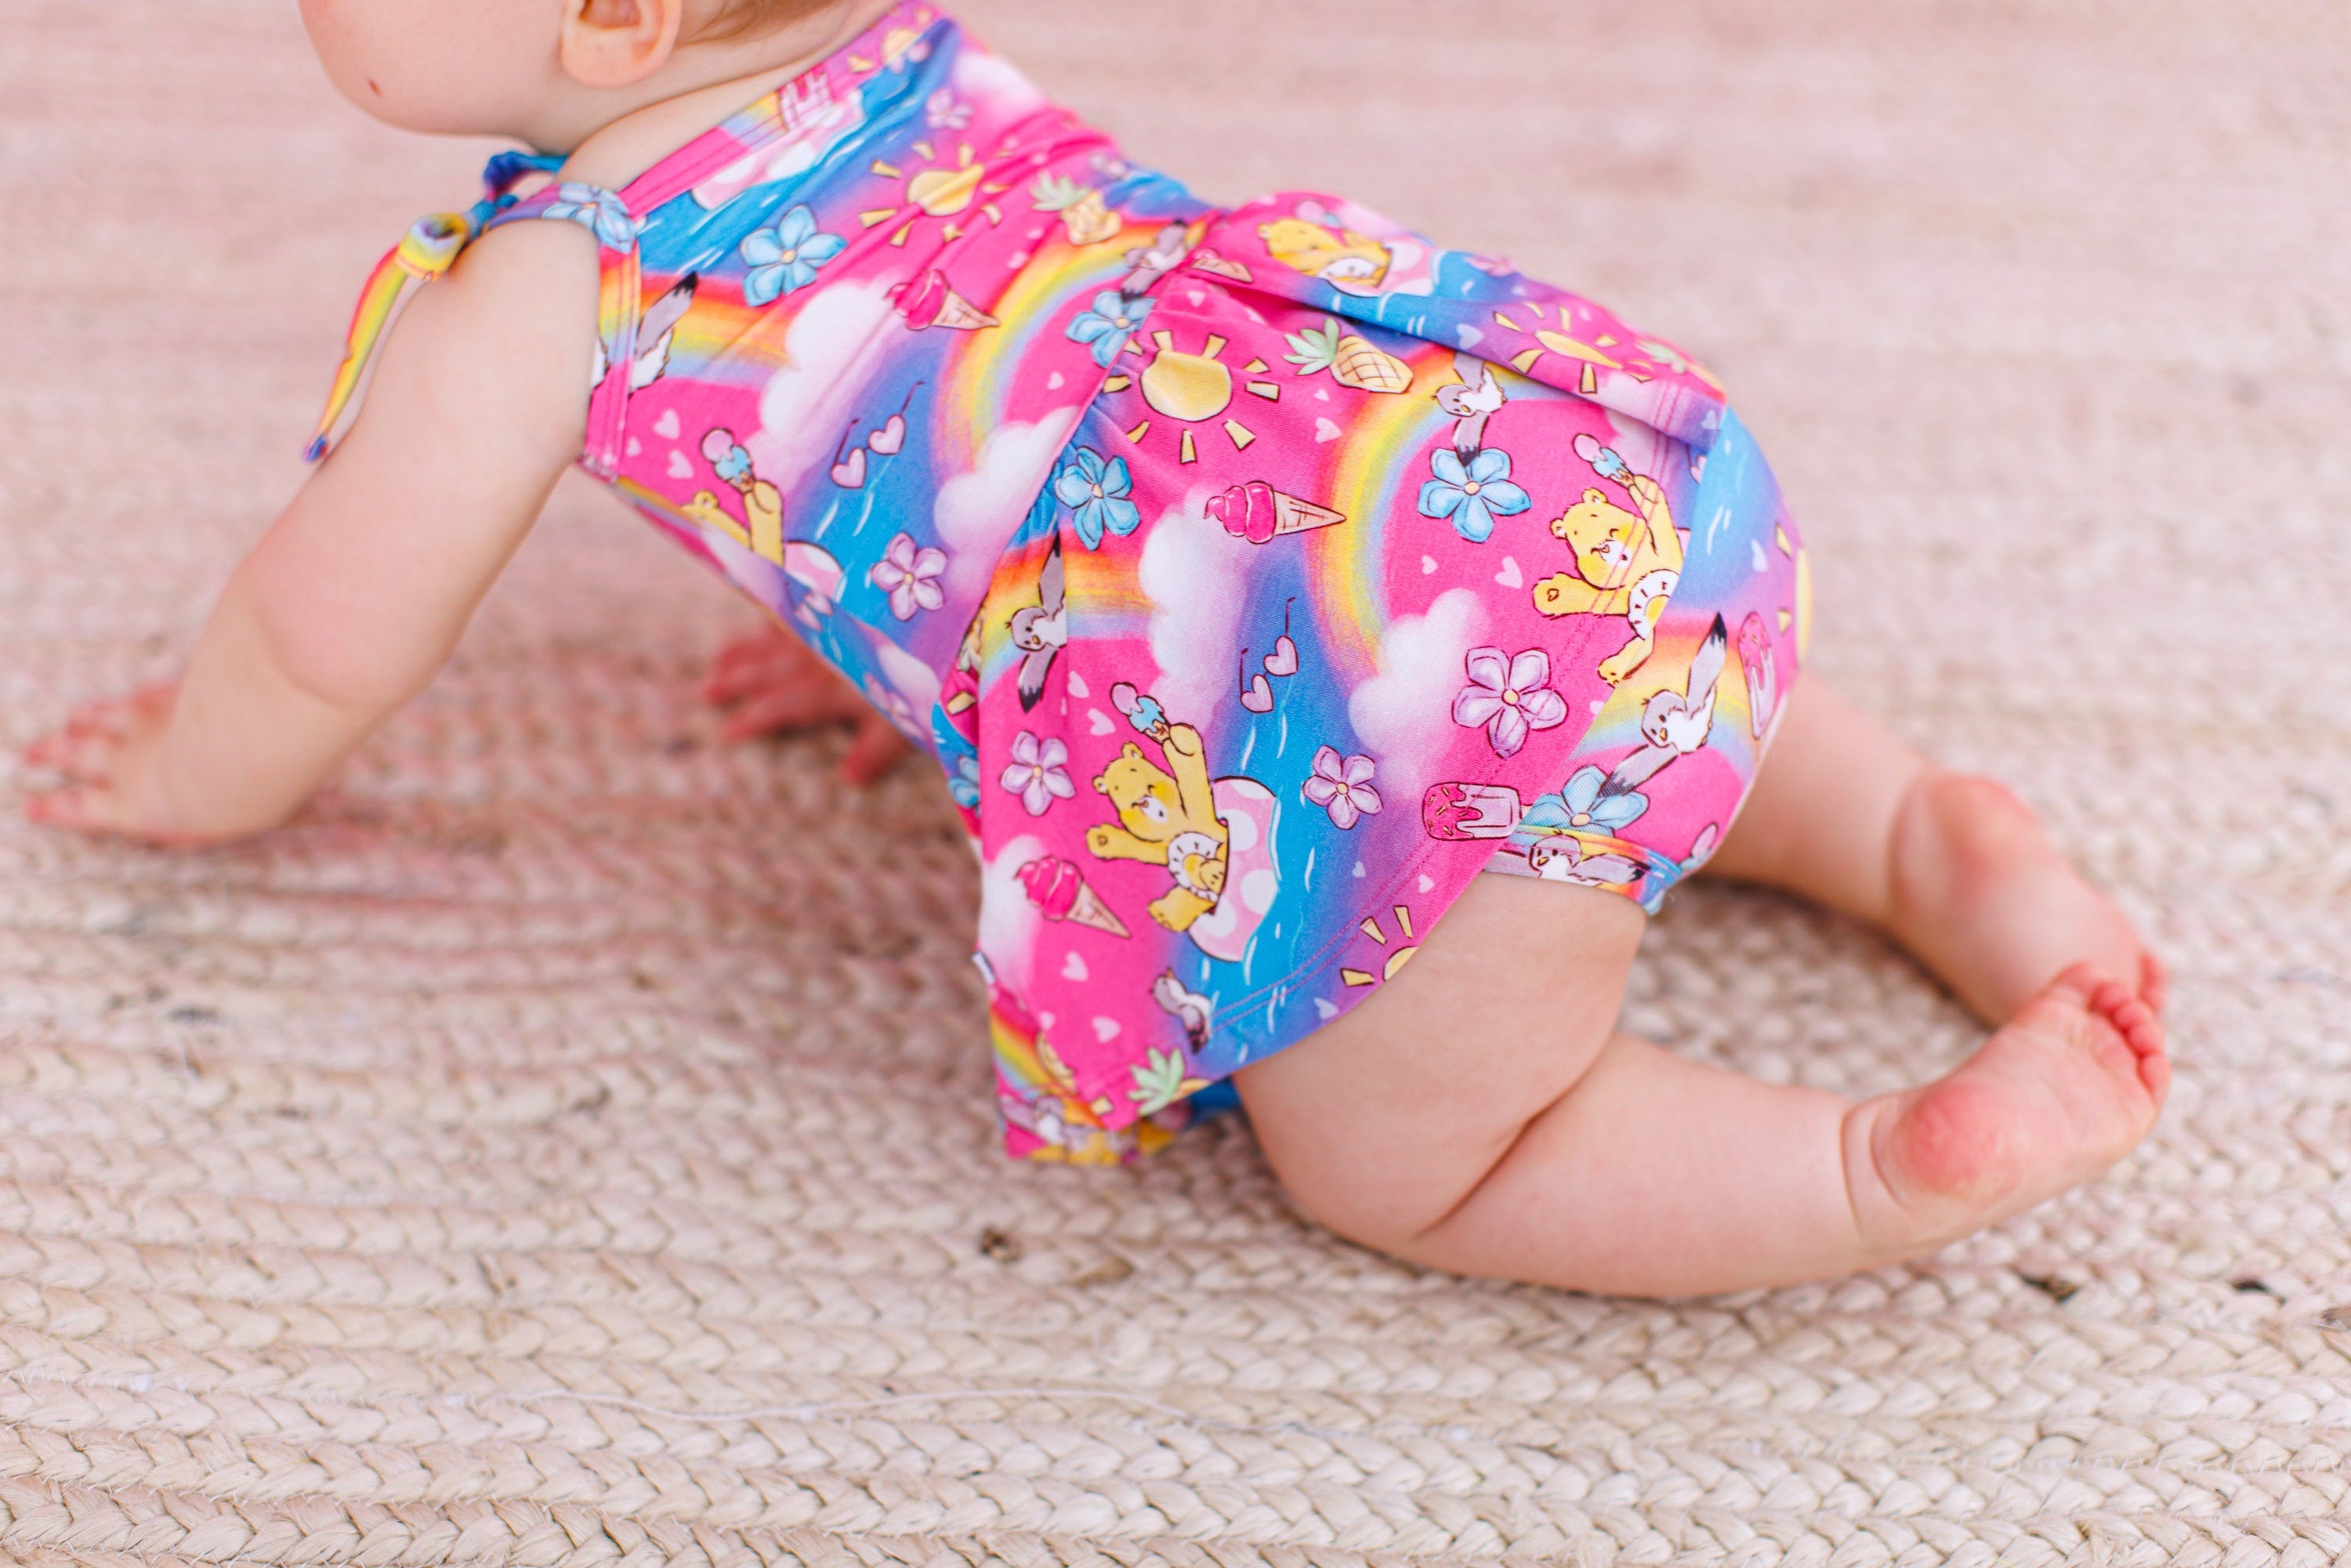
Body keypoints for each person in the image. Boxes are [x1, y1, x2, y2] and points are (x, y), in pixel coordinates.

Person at [22, 0, 2167, 1295]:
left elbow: (330, 629)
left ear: (611, 22)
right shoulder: (902, 51)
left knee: (1418, 1153)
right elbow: (992, 381)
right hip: (1518, 448)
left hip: (1327, 661)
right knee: (1597, 698)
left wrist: (204, 761)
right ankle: (1915, 835)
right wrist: (914, 642)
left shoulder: (549, 290)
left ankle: (1868, 1170)